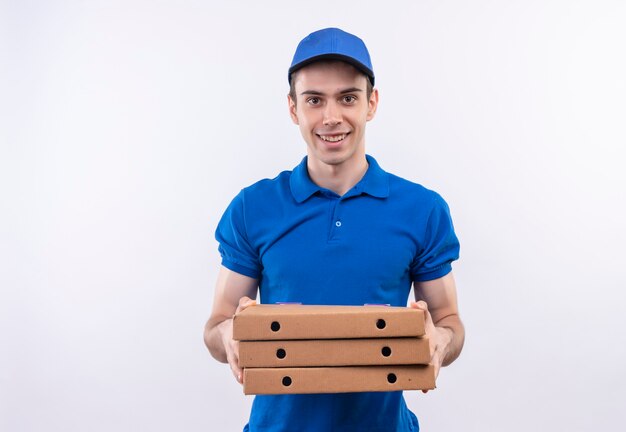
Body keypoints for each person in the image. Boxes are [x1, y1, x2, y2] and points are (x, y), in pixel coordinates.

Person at [204, 27, 464, 431]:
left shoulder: (422, 210)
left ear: (371, 104)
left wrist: (440, 340)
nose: (331, 117)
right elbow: (217, 323)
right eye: (314, 100)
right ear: (293, 109)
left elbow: (449, 320)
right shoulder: (252, 208)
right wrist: (230, 337)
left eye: (347, 98)